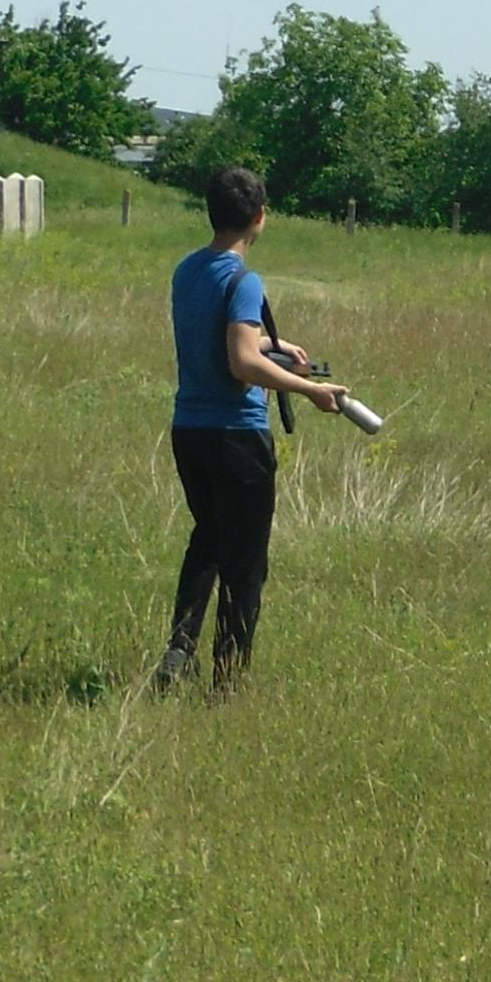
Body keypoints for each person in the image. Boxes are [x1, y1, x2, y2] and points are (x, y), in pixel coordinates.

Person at [153, 166, 348, 695]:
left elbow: (220, 342)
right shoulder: (245, 280)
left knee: (209, 539)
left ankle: (179, 647)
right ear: (260, 217)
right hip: (237, 436)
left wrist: (275, 350)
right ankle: (226, 684)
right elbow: (240, 363)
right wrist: (311, 391)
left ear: (210, 213)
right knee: (245, 565)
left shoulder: (187, 271)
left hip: (188, 431)